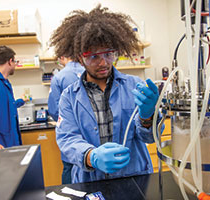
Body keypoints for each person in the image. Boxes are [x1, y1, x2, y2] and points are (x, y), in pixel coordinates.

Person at [51, 5, 161, 183]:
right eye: (93, 56)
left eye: (109, 54)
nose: (104, 63)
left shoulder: (135, 86)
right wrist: (91, 156)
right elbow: (67, 139)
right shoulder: (69, 97)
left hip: (134, 177)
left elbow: (149, 137)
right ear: (80, 58)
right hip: (90, 180)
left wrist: (148, 117)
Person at [48, 56, 84, 184]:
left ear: (63, 57)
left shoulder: (59, 77)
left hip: (70, 134)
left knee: (69, 168)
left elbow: (54, 110)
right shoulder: (91, 71)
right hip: (93, 134)